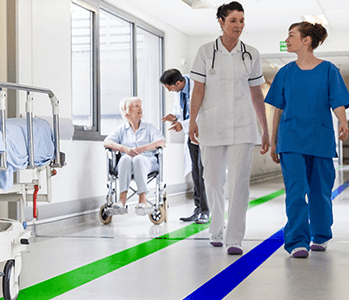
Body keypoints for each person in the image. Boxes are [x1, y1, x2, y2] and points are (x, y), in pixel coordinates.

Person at [188, 1, 270, 255]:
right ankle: (216, 228)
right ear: (221, 22)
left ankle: (234, 237)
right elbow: (198, 89)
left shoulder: (251, 54)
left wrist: (264, 128)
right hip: (211, 125)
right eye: (233, 20)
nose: (238, 25)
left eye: (242, 21)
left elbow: (256, 94)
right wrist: (192, 120)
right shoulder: (205, 51)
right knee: (211, 180)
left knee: (239, 182)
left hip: (244, 126)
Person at [264, 21, 349, 259]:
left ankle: (320, 235)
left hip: (320, 138)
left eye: (291, 35)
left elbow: (337, 101)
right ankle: (297, 241)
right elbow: (278, 110)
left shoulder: (329, 70)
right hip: (291, 139)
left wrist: (343, 122)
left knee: (319, 191)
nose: (287, 40)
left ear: (306, 41)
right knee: (295, 191)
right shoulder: (285, 73)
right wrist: (274, 141)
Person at [160, 69, 208, 224]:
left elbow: (202, 113)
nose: (169, 90)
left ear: (178, 83)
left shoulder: (198, 85)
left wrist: (184, 124)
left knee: (203, 173)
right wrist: (175, 118)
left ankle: (206, 211)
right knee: (195, 173)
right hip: (191, 135)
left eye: (170, 87)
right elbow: (184, 113)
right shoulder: (180, 92)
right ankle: (198, 209)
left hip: (203, 134)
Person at [104, 97, 167, 216]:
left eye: (141, 106)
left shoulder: (149, 127)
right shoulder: (122, 130)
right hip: (125, 165)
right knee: (126, 158)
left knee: (138, 158)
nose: (140, 109)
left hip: (148, 162)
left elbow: (161, 142)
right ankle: (122, 199)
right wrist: (124, 149)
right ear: (126, 110)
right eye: (136, 106)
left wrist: (142, 149)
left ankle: (142, 200)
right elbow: (106, 142)